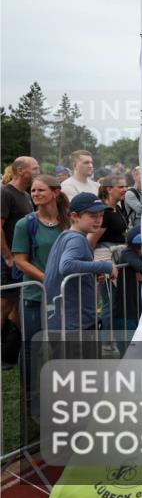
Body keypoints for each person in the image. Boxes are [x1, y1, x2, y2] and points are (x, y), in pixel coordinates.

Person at [11, 174, 69, 410]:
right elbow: (20, 261)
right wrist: (47, 279)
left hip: (64, 298)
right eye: (33, 191)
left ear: (55, 193)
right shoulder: (26, 224)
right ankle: (30, 398)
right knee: (32, 348)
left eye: (41, 190)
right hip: (35, 298)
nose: (35, 195)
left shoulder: (67, 221)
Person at [44, 193, 117, 345]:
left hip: (65, 320)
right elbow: (67, 266)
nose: (98, 220)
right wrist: (105, 266)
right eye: (92, 215)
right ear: (75, 216)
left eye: (101, 215)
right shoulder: (77, 239)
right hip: (74, 324)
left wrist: (92, 272)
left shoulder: (67, 235)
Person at [1, 156, 39, 366]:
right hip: (8, 260)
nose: (38, 171)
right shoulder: (5, 193)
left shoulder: (25, 195)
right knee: (4, 304)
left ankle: (13, 350)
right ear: (21, 170)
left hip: (19, 259)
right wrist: (7, 257)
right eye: (35, 168)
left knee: (16, 306)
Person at [92, 176, 129, 344]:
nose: (124, 190)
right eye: (120, 186)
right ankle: (106, 341)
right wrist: (94, 265)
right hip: (105, 257)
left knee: (116, 300)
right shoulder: (103, 212)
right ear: (108, 189)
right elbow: (91, 240)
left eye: (125, 186)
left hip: (118, 256)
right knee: (109, 301)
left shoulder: (118, 209)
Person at [113, 226, 142, 355]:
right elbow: (141, 267)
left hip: (137, 311)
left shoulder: (138, 255)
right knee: (128, 354)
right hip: (125, 314)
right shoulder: (127, 254)